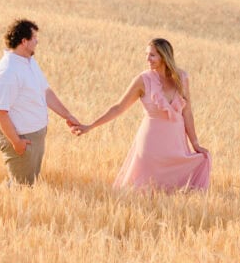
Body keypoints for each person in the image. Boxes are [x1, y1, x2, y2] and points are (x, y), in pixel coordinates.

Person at [69, 37, 211, 191]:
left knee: (179, 185)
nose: (147, 59)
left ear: (164, 56)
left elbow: (187, 112)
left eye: (152, 55)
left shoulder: (182, 78)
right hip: (151, 143)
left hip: (176, 143)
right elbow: (118, 107)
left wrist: (195, 144)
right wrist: (90, 126)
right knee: (145, 188)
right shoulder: (143, 80)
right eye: (146, 54)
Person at [0, 18, 79, 185]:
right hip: (21, 137)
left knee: (28, 184)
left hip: (34, 136)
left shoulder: (29, 62)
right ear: (24, 42)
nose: (37, 41)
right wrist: (16, 142)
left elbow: (45, 92)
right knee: (21, 187)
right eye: (34, 38)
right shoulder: (7, 71)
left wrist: (68, 115)